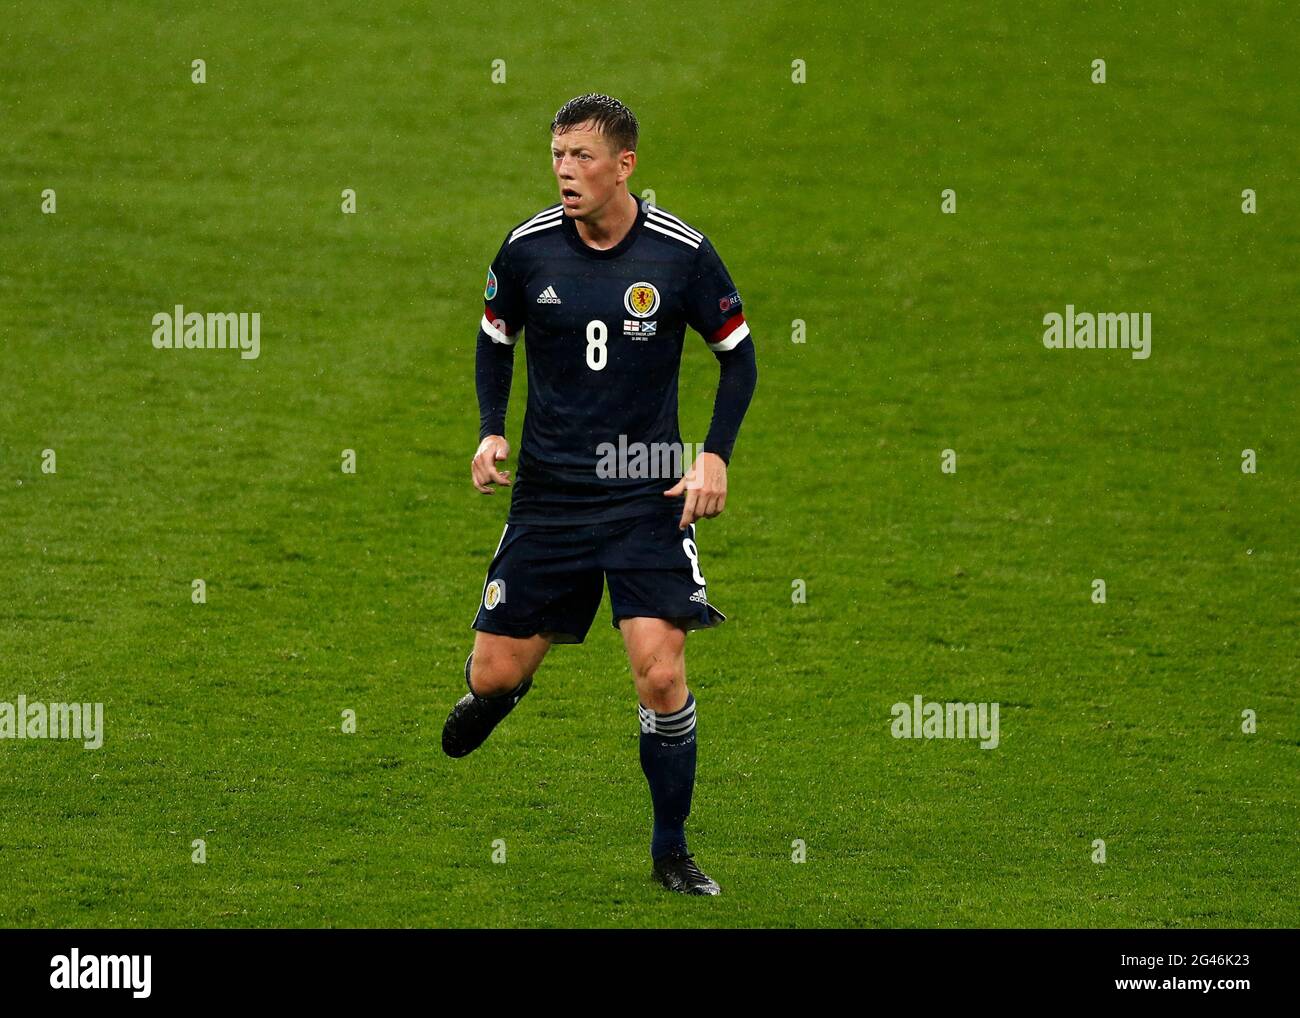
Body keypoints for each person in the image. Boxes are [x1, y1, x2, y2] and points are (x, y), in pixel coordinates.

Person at [442, 93, 758, 896]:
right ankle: (505, 687)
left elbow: (738, 357)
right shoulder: (527, 250)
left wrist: (713, 457)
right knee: (491, 677)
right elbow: (493, 340)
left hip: (646, 492)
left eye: (582, 157)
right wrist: (489, 430)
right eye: (557, 156)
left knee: (660, 673)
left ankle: (671, 851)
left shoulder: (681, 255)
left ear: (625, 165)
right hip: (549, 498)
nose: (564, 172)